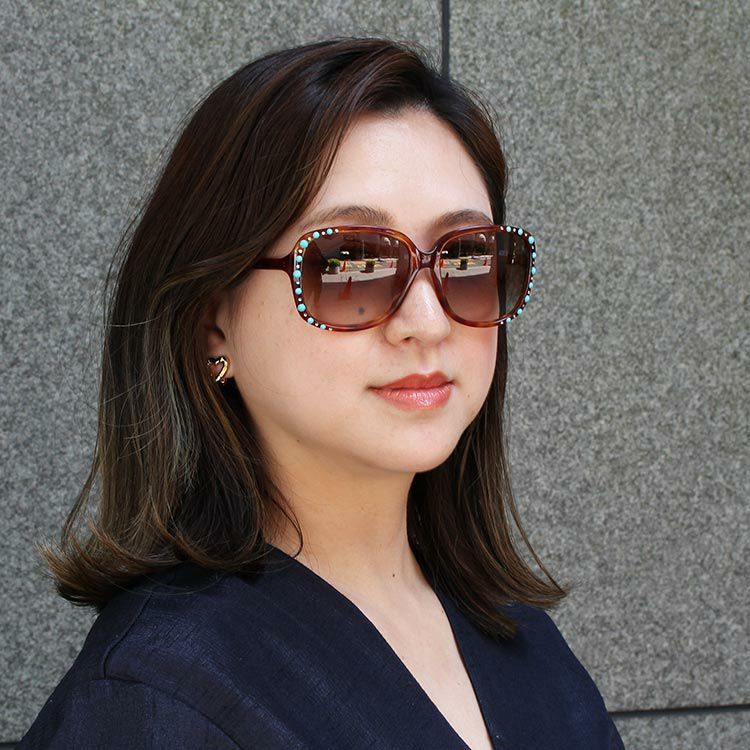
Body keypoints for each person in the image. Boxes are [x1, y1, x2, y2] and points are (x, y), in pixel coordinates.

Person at [17, 37, 624, 749]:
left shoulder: (517, 633)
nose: (427, 323)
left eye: (465, 259)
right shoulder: (150, 700)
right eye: (351, 264)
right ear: (213, 321)